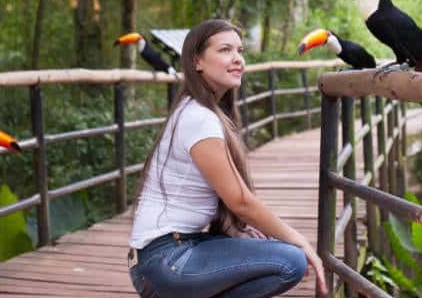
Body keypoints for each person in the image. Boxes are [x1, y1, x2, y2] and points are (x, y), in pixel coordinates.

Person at [128, 19, 328, 298]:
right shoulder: (199, 118)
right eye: (225, 50)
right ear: (197, 61)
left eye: (240, 50)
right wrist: (299, 240)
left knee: (275, 252)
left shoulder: (198, 110)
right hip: (166, 260)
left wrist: (232, 227)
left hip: (166, 255)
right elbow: (240, 201)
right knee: (290, 260)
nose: (237, 60)